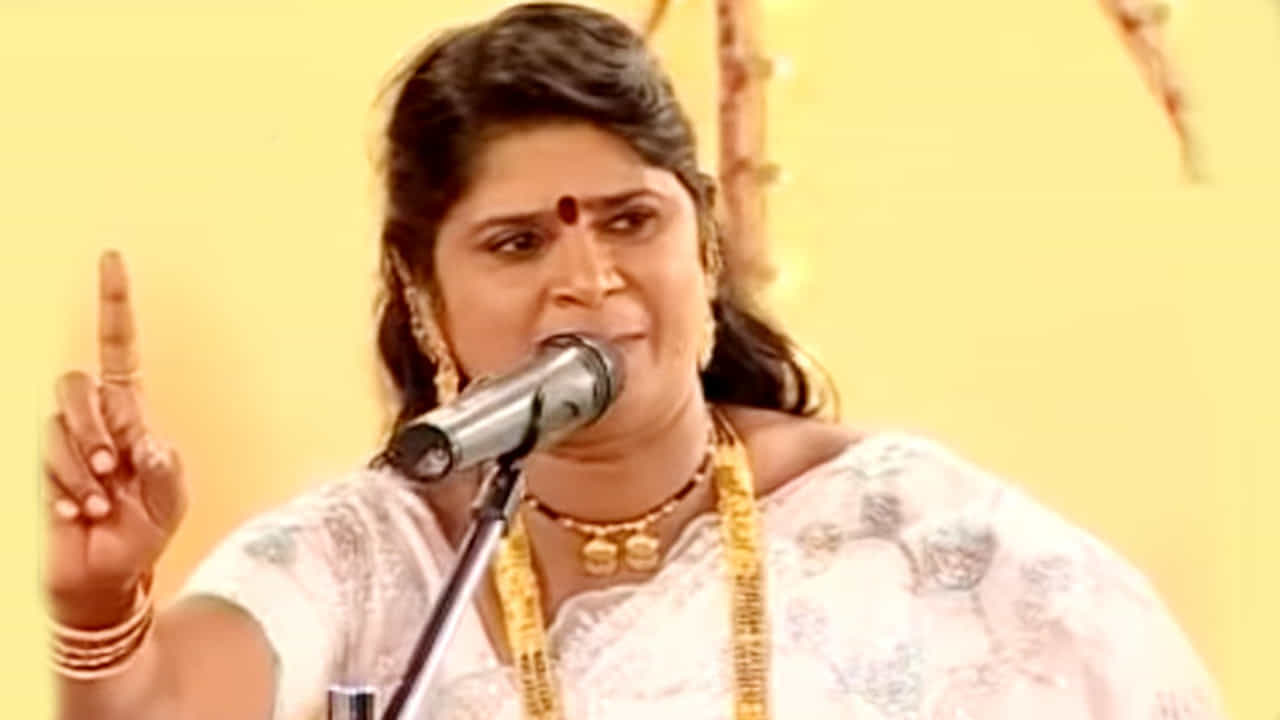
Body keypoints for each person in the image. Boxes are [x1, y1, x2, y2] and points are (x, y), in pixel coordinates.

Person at [43, 3, 1226, 719]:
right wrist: (101, 610)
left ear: (700, 245)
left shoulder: (917, 534)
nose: (588, 279)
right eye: (517, 242)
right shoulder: (378, 556)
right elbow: (162, 706)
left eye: (628, 221)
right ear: (423, 292)